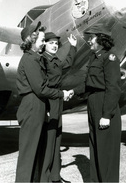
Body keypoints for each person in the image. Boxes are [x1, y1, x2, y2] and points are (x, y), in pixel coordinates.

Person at [15, 21, 73, 183]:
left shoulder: (35, 58)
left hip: (38, 106)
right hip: (32, 106)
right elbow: (40, 88)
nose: (43, 43)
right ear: (32, 41)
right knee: (28, 154)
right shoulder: (30, 60)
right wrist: (61, 94)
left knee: (35, 151)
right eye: (41, 40)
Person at [84, 27, 122, 182]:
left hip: (104, 103)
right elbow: (89, 83)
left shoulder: (110, 58)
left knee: (106, 152)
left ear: (101, 39)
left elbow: (113, 87)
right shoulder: (94, 57)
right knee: (95, 148)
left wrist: (106, 115)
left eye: (91, 38)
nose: (88, 41)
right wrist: (71, 91)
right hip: (93, 102)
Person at [40, 32, 77, 183]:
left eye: (56, 43)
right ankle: (45, 178)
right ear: (44, 44)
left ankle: (55, 177)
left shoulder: (54, 60)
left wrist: (73, 47)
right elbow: (41, 86)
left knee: (57, 138)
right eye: (51, 43)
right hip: (49, 101)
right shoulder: (42, 60)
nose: (55, 46)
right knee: (49, 141)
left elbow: (67, 63)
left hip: (57, 101)